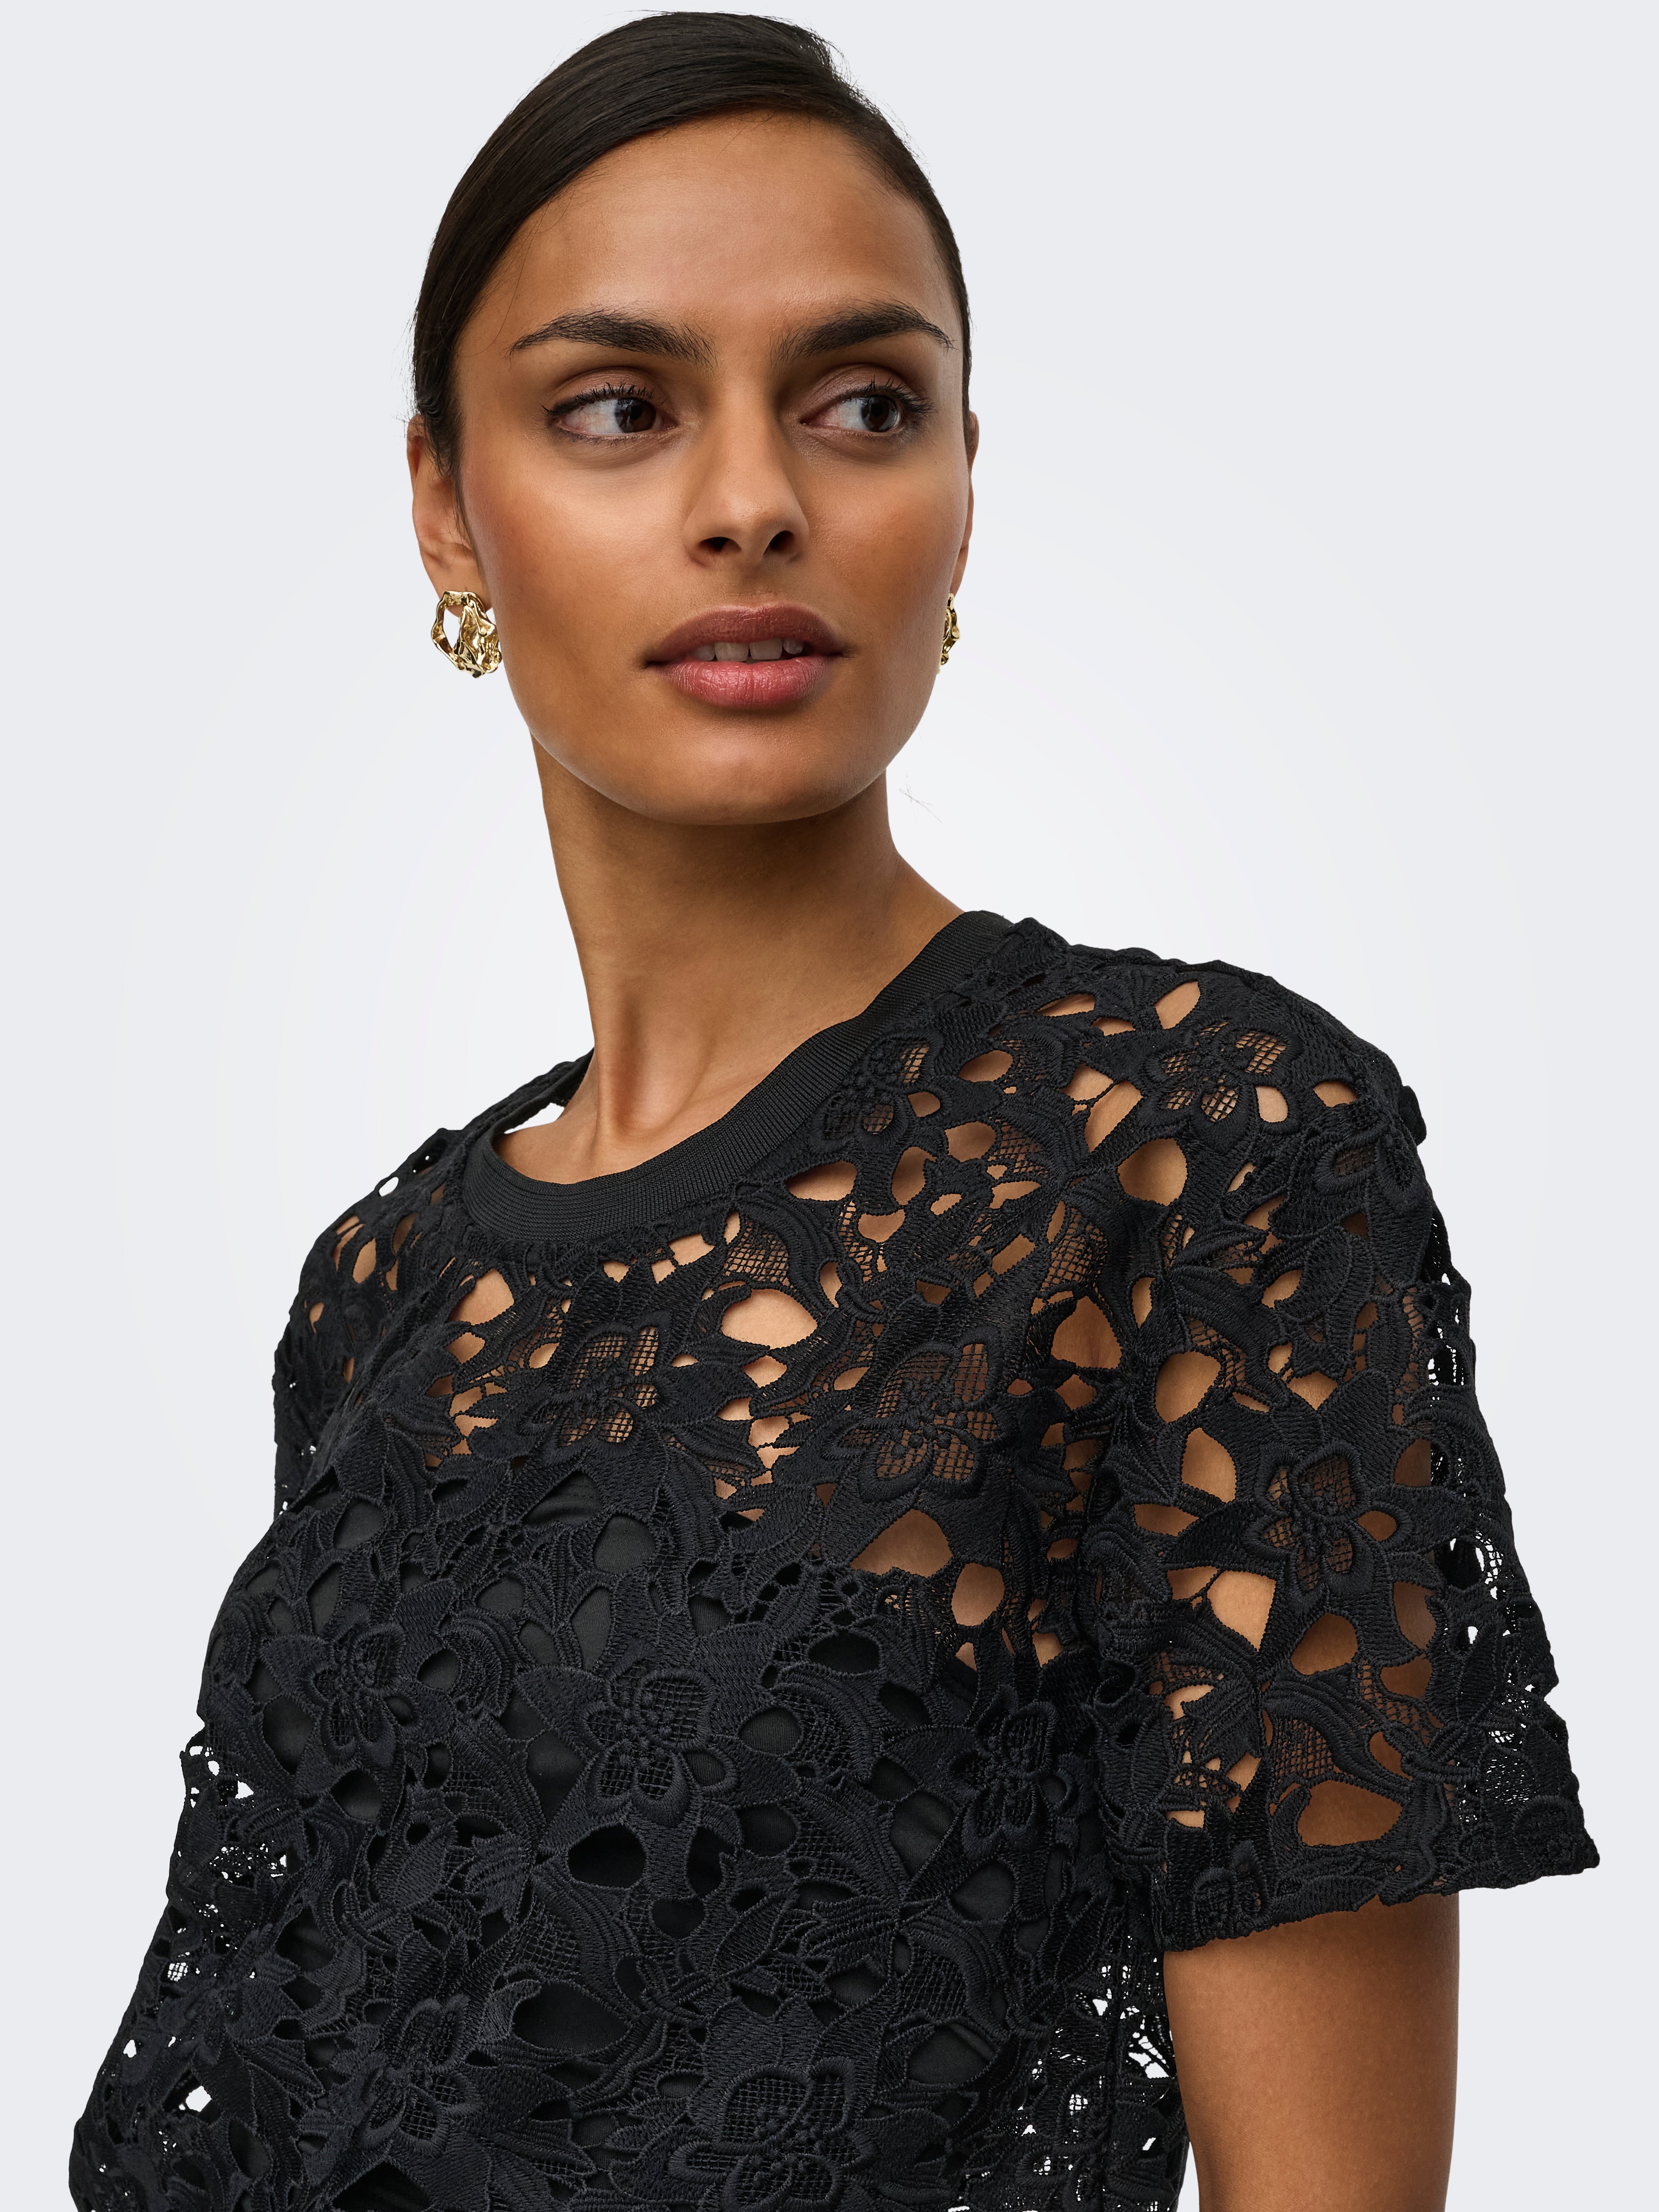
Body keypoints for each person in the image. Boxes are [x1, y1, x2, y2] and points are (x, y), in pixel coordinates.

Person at [71, 15, 1596, 2210]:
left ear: (963, 485)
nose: (753, 500)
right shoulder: (386, 1283)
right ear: (446, 509)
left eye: (865, 403)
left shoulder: (1205, 1150)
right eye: (620, 408)